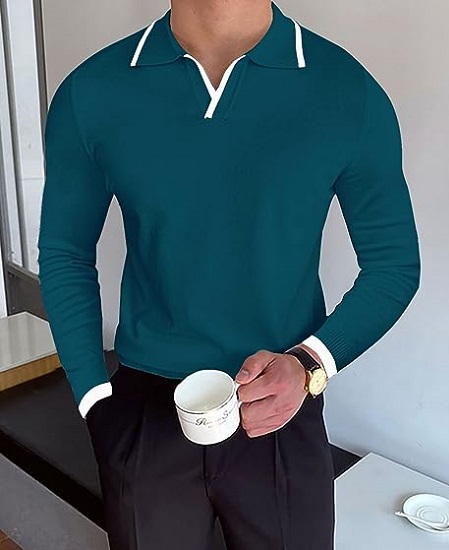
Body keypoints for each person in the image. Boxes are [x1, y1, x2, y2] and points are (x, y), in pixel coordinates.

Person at [37, 1, 421, 548]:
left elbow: (393, 264)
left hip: (283, 401)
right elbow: (65, 251)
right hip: (144, 411)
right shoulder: (93, 91)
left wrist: (311, 364)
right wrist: (93, 398)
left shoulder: (346, 92)